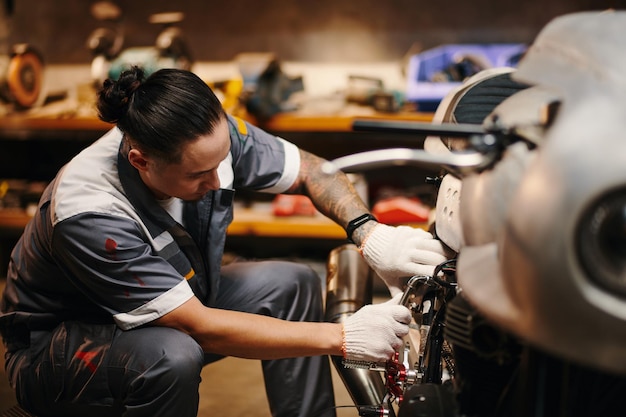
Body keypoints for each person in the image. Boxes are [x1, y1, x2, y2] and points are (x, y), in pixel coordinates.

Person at [0, 67, 450, 417]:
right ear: (140, 160)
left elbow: (313, 170)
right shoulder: (89, 211)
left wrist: (369, 235)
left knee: (290, 282)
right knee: (172, 356)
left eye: (222, 161)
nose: (218, 181)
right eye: (199, 174)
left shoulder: (208, 137)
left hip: (171, 298)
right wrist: (344, 336)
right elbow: (196, 325)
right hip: (57, 351)